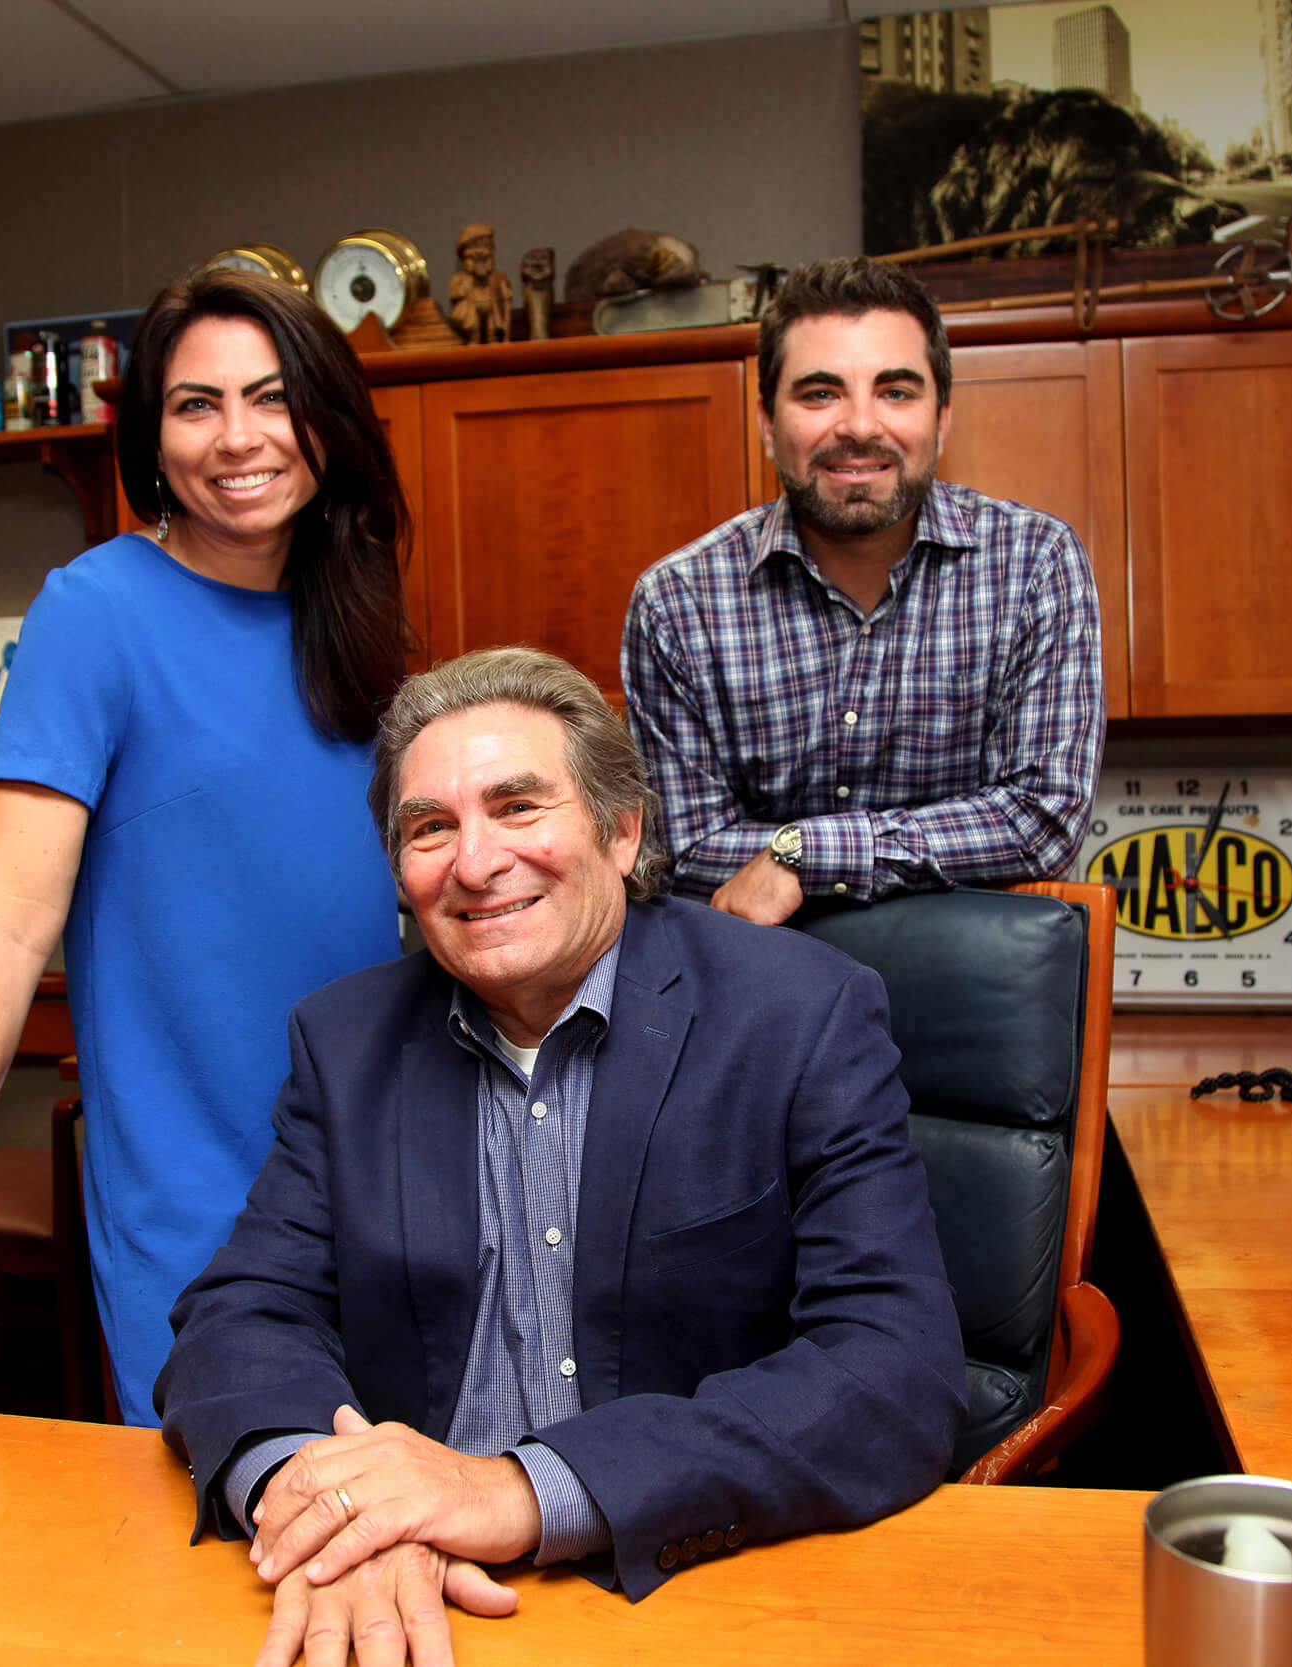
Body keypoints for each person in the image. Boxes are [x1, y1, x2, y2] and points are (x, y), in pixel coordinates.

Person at [155, 647, 963, 1661]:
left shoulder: (799, 1012)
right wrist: (323, 1494)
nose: (475, 860)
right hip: (414, 1598)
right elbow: (240, 1313)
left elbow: (894, 1367)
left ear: (621, 830)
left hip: (688, 1589)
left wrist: (517, 1490)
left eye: (517, 806)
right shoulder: (345, 1039)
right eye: (429, 827)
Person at [0, 268, 411, 1426]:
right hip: (195, 1187)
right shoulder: (96, 608)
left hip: (380, 1173)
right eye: (194, 404)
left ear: (326, 421)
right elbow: (7, 923)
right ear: (151, 442)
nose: (238, 437)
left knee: (388, 1532)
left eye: (270, 397)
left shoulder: (353, 613)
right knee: (220, 1529)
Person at [620, 255, 1104, 928]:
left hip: (981, 1007)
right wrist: (935, 843)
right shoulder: (678, 603)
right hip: (765, 1007)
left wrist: (804, 852)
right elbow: (685, 850)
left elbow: (1042, 817)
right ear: (767, 422)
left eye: (896, 392)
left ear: (943, 418)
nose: (859, 425)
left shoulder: (1034, 565)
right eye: (820, 394)